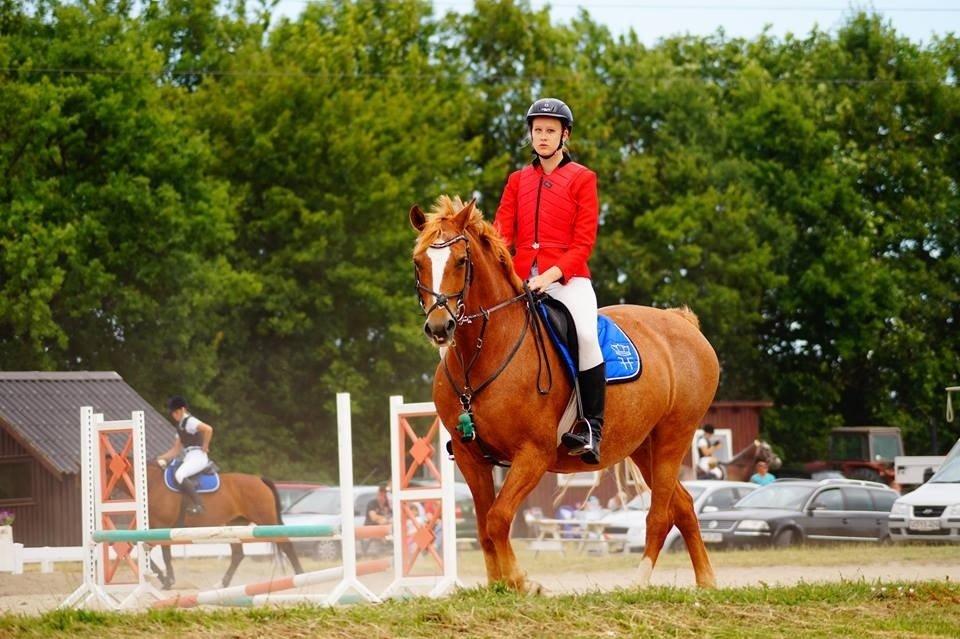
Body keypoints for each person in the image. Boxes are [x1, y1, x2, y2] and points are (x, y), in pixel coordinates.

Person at [493, 97, 605, 464]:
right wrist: (501, 269)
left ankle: (591, 425)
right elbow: (501, 233)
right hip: (522, 279)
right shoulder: (517, 181)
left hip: (568, 279)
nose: (542, 137)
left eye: (550, 131)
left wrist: (551, 276)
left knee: (587, 336)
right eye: (537, 130)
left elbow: (584, 242)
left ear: (564, 135)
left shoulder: (582, 178)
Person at [157, 396, 214, 515]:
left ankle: (200, 505)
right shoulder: (180, 427)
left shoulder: (190, 421)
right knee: (175, 471)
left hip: (198, 456)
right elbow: (175, 450)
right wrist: (161, 457)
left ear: (183, 409)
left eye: (176, 412)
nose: (174, 415)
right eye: (173, 413)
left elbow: (208, 429)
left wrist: (205, 446)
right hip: (189, 457)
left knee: (179, 474)